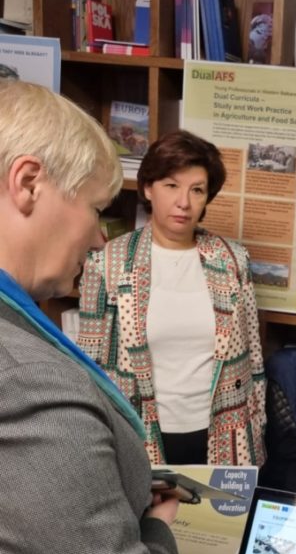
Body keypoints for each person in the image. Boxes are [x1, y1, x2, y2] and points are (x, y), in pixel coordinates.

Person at [0, 79, 180, 554]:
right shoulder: (27, 383)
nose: (101, 239)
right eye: (96, 209)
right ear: (28, 183)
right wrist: (157, 529)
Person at [77, 129, 267, 467]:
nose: (184, 202)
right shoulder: (107, 263)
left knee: (218, 507)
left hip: (226, 430)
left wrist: (258, 423)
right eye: (171, 185)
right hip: (139, 431)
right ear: (148, 188)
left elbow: (253, 359)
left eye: (197, 190)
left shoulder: (233, 260)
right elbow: (92, 366)